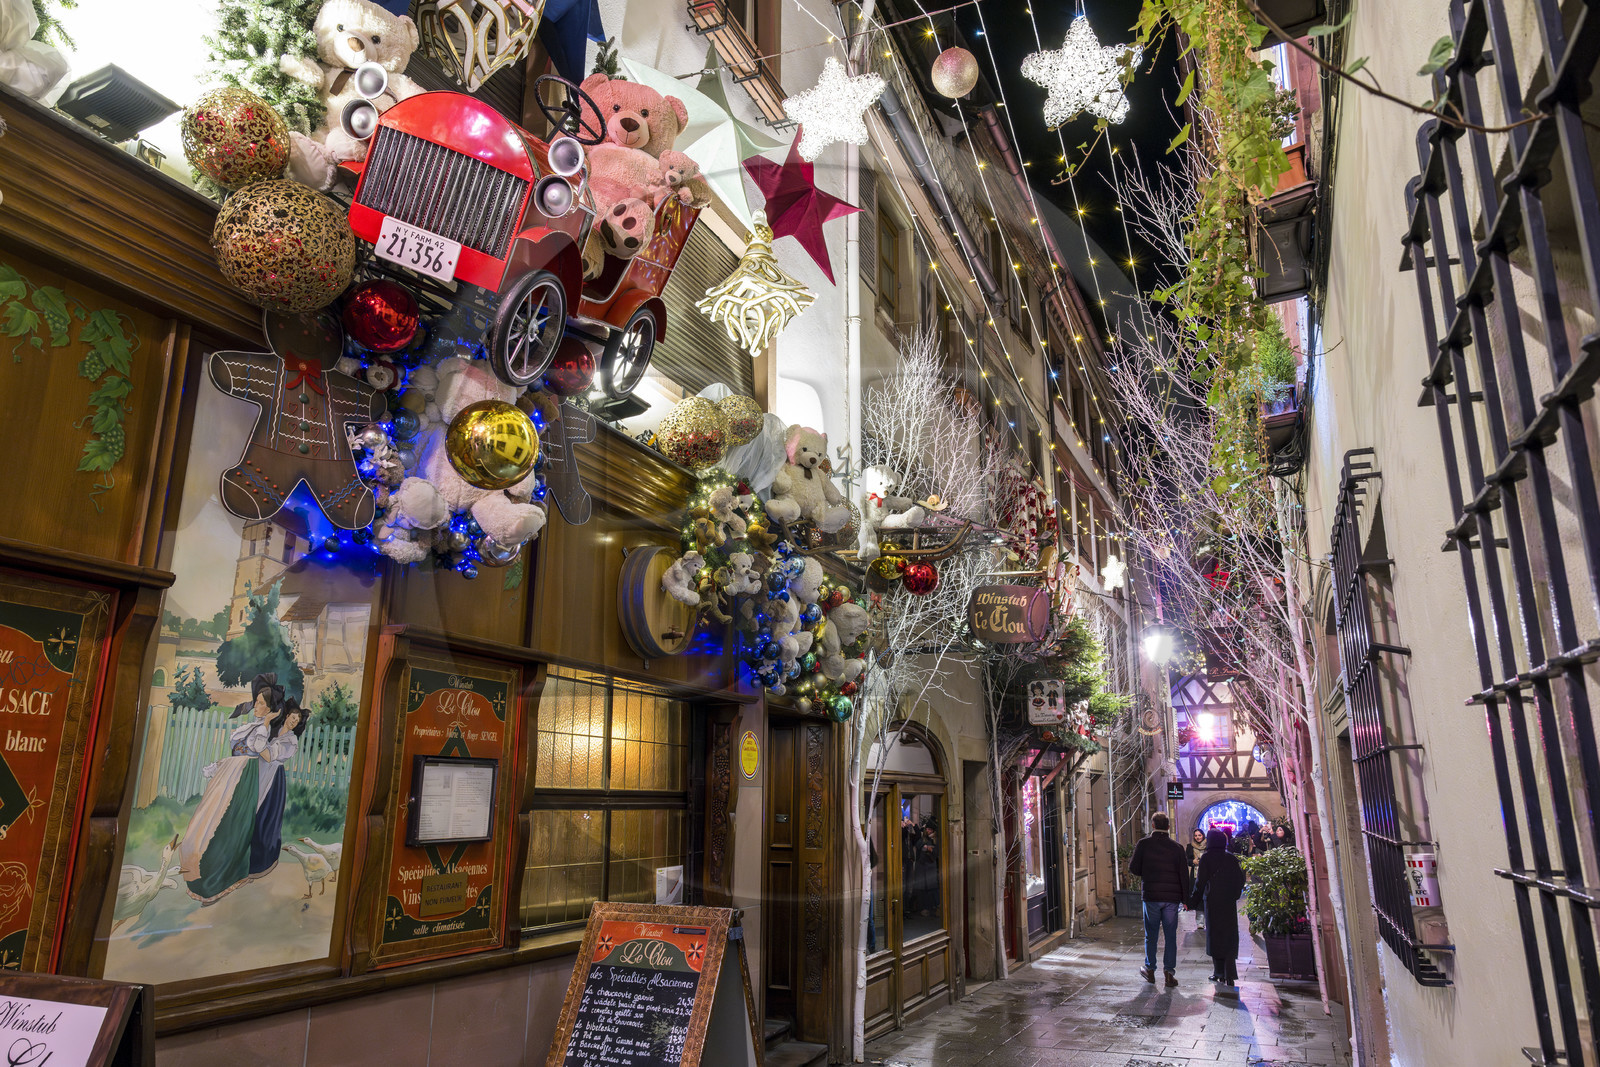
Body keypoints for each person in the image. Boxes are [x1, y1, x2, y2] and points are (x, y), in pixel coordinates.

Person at [1128, 812, 1190, 987]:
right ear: (1168, 827)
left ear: (1153, 825)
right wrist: (1186, 899)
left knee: (1151, 935)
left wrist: (1147, 872)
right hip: (1171, 898)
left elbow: (1134, 868)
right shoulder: (1177, 848)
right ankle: (1169, 973)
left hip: (1152, 896)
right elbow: (1183, 875)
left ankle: (1150, 969)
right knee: (1170, 936)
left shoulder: (1144, 844)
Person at [1192, 829, 1248, 988]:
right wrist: (1235, 895)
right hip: (1228, 902)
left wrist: (1192, 900)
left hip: (1212, 901)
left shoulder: (1206, 858)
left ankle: (1218, 972)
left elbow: (1200, 882)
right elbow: (1240, 880)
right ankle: (1230, 973)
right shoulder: (1231, 858)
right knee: (1229, 935)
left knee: (1215, 935)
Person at [1188, 828, 1207, 929]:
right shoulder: (1190, 847)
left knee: (1206, 897)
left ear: (1203, 835)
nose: (1197, 837)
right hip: (1195, 875)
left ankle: (1208, 919)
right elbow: (1186, 860)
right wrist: (1192, 862)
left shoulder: (1208, 846)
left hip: (1206, 875)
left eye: (1199, 835)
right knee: (1198, 898)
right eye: (1196, 836)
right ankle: (1200, 921)